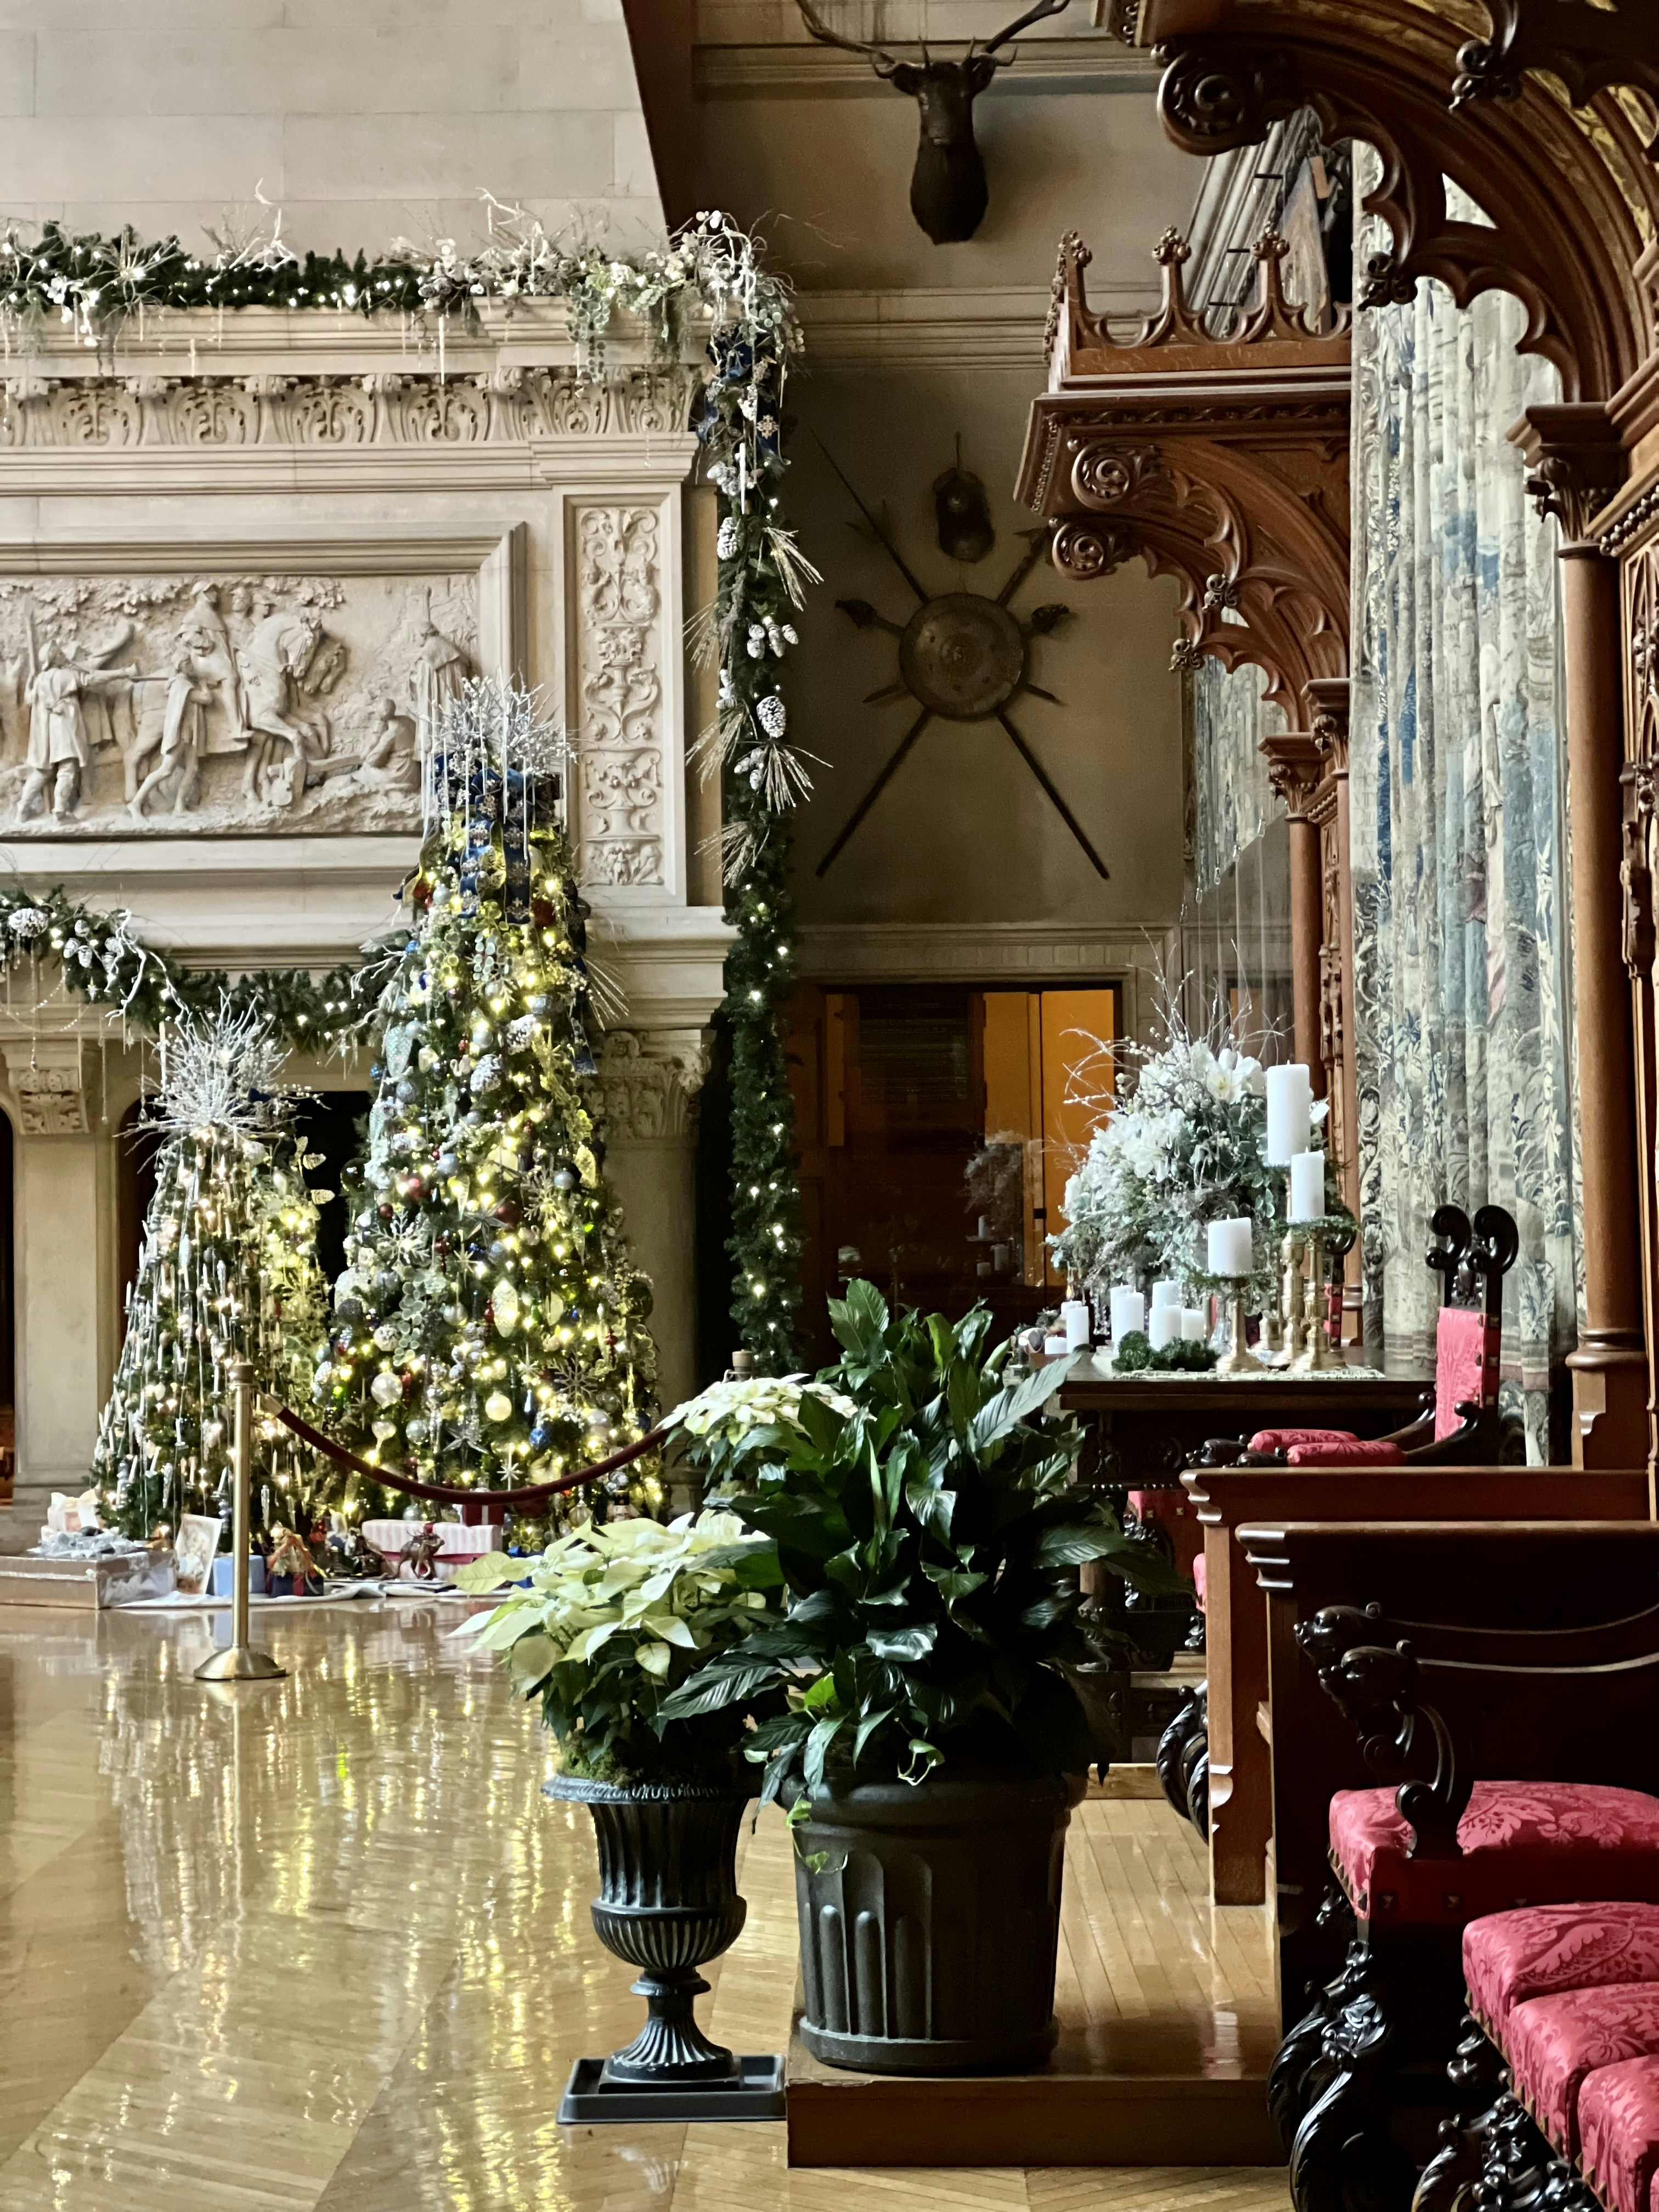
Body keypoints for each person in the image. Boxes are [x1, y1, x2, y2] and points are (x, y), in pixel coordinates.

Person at [19, 642, 138, 822]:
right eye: (60, 653)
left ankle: (22, 810)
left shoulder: (41, 679)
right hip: (63, 729)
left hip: (45, 736)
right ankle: (60, 811)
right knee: (67, 769)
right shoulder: (65, 676)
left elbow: (29, 699)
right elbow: (91, 679)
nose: (63, 655)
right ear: (54, 658)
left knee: (42, 772)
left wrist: (30, 682)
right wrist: (123, 673)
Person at [128, 647, 213, 819]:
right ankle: (135, 803)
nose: (192, 666)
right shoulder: (182, 684)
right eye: (188, 663)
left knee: (193, 768)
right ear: (181, 666)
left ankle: (179, 807)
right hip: (181, 734)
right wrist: (204, 686)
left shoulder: (179, 683)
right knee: (166, 770)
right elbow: (206, 699)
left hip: (188, 734)